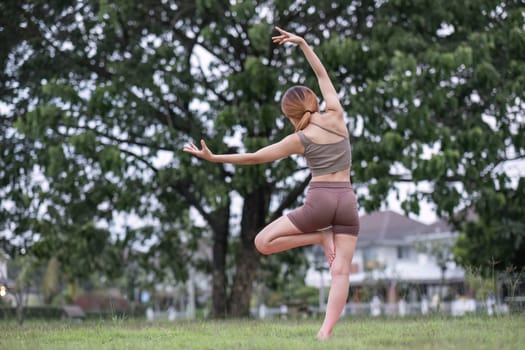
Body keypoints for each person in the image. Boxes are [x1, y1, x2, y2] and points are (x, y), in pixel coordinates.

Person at [183, 26, 360, 339]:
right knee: (341, 272)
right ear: (314, 100)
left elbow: (253, 157)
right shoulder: (336, 113)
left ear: (289, 115)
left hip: (319, 203)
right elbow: (321, 74)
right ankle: (325, 334)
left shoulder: (299, 139)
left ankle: (318, 239)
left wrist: (214, 158)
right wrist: (304, 43)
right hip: (347, 201)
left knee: (262, 243)